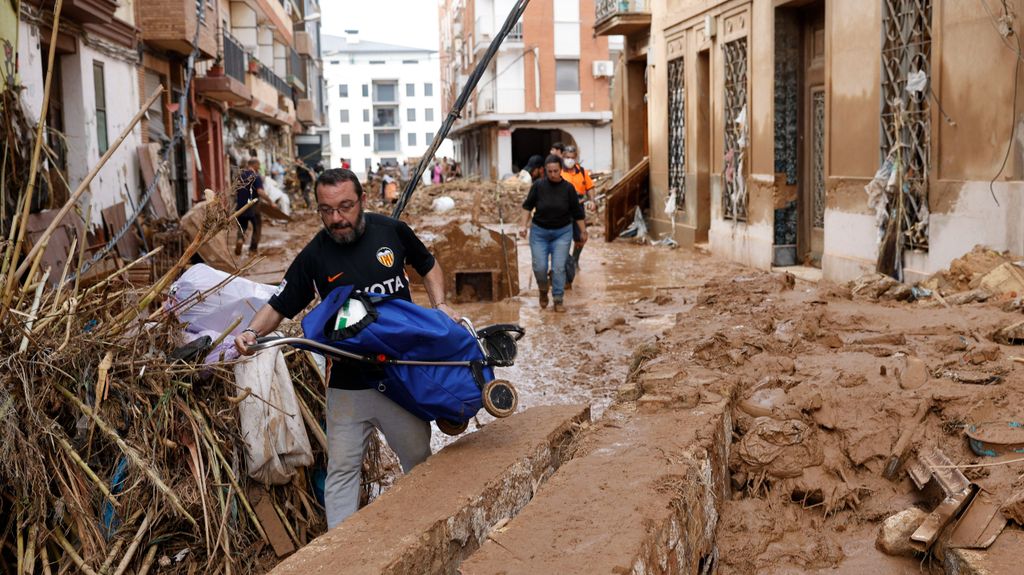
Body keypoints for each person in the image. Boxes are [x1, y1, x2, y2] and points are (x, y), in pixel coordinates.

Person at [235, 168, 458, 528]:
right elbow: (279, 304)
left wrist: (441, 305)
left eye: (345, 207)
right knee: (342, 473)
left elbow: (428, 266)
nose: (337, 218)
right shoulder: (315, 255)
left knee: (419, 464)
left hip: (402, 378)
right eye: (327, 210)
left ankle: (428, 535)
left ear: (362, 201)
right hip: (348, 384)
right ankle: (341, 555)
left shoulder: (392, 231)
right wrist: (249, 332)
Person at [519, 155, 587, 312]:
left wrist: (583, 231)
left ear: (561, 170)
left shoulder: (568, 188)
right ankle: (543, 291)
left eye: (556, 171)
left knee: (558, 267)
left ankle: (558, 299)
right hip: (539, 233)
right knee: (539, 267)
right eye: (549, 171)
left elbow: (577, 213)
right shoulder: (538, 186)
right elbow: (527, 206)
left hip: (562, 233)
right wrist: (523, 226)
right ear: (545, 171)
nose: (553, 174)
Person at [560, 145, 595, 288]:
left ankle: (575, 259)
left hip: (579, 207)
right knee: (563, 237)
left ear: (576, 158)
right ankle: (565, 263)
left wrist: (592, 200)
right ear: (563, 157)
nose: (569, 160)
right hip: (563, 209)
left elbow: (590, 187)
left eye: (572, 158)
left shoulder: (582, 172)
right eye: (567, 157)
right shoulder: (559, 172)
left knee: (581, 236)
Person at [234, 158, 269, 255]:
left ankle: (240, 240)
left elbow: (235, 191)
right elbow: (260, 191)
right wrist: (270, 201)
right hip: (253, 207)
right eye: (258, 165)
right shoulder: (255, 176)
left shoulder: (240, 176)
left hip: (240, 207)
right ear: (255, 165)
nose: (259, 167)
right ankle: (252, 249)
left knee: (242, 227)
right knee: (257, 227)